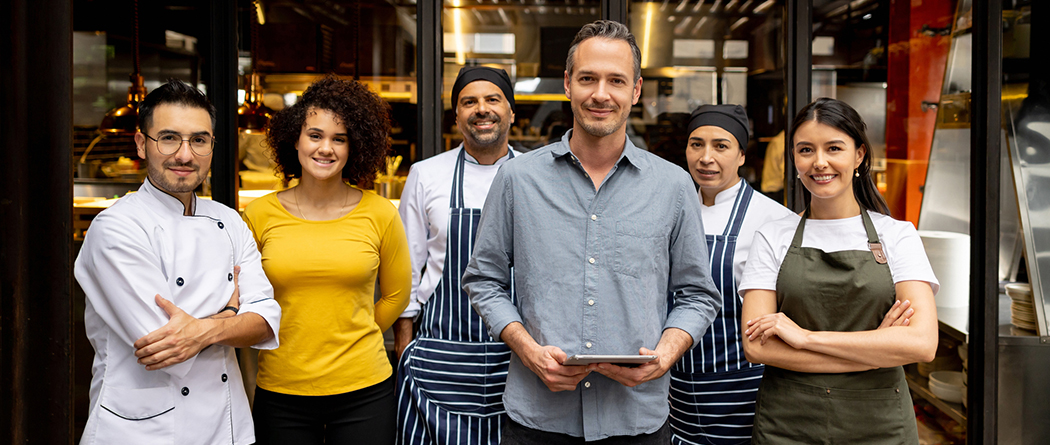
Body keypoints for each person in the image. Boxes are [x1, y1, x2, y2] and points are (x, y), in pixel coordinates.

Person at [463, 20, 722, 444]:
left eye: (616, 80)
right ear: (567, 84)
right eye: (588, 78)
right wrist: (529, 352)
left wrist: (666, 354)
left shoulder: (673, 186)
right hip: (538, 419)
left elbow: (698, 294)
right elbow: (484, 280)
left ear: (636, 90)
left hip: (636, 419)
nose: (601, 94)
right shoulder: (517, 179)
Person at [74, 79, 282, 445]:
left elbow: (266, 321)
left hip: (226, 427)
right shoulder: (116, 229)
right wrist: (231, 314)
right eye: (168, 138)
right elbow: (162, 344)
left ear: (212, 147)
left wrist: (207, 327)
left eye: (199, 140)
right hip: (141, 430)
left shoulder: (230, 220)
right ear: (142, 144)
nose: (185, 155)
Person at [739, 97, 939, 444]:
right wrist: (876, 350)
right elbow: (757, 348)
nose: (819, 162)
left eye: (834, 148)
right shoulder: (772, 236)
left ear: (859, 155)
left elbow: (922, 344)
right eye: (805, 150)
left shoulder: (897, 234)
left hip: (881, 426)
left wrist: (806, 338)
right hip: (788, 425)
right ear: (794, 158)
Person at [242, 76, 411, 445]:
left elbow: (397, 296)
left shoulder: (381, 213)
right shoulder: (258, 215)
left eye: (340, 138)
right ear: (295, 139)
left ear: (355, 147)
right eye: (315, 135)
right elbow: (242, 303)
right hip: (282, 389)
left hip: (364, 388)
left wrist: (355, 333)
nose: (326, 148)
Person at [393, 66, 520, 445]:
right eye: (469, 102)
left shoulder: (538, 175)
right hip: (440, 357)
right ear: (457, 116)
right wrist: (404, 346)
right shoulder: (426, 174)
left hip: (518, 359)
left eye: (492, 99)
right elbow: (407, 269)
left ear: (512, 111)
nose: (481, 109)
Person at [669, 104, 796, 445]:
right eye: (696, 144)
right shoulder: (669, 213)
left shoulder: (775, 221)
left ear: (742, 154)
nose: (705, 157)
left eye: (721, 146)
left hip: (743, 390)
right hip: (674, 387)